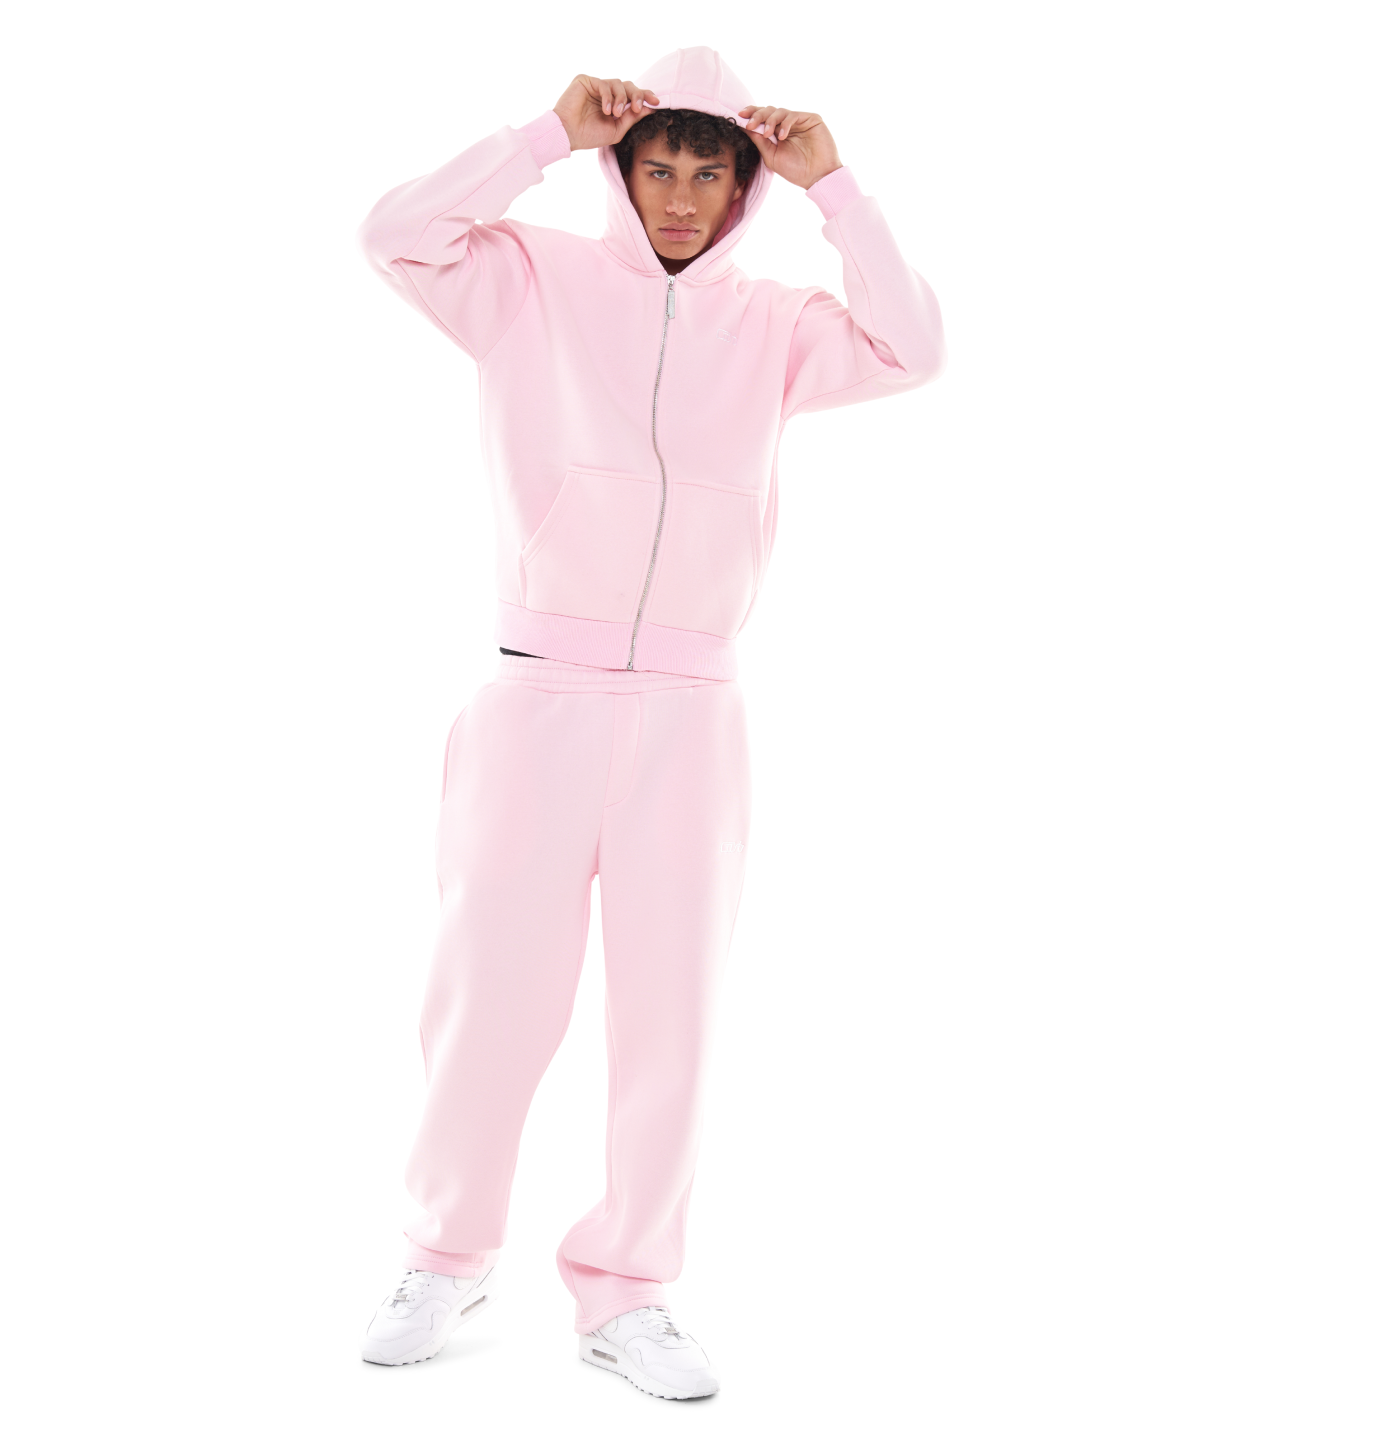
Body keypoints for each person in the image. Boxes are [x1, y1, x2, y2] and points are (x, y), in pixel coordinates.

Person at [355, 46, 945, 1400]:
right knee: (487, 1000)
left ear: (743, 187)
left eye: (709, 171)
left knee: (670, 1018)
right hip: (540, 695)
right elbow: (393, 233)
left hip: (693, 713)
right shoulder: (529, 280)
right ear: (622, 176)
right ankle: (444, 1255)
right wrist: (540, 137)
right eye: (658, 168)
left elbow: (916, 346)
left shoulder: (779, 323)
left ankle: (627, 1290)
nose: (680, 195)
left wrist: (838, 188)